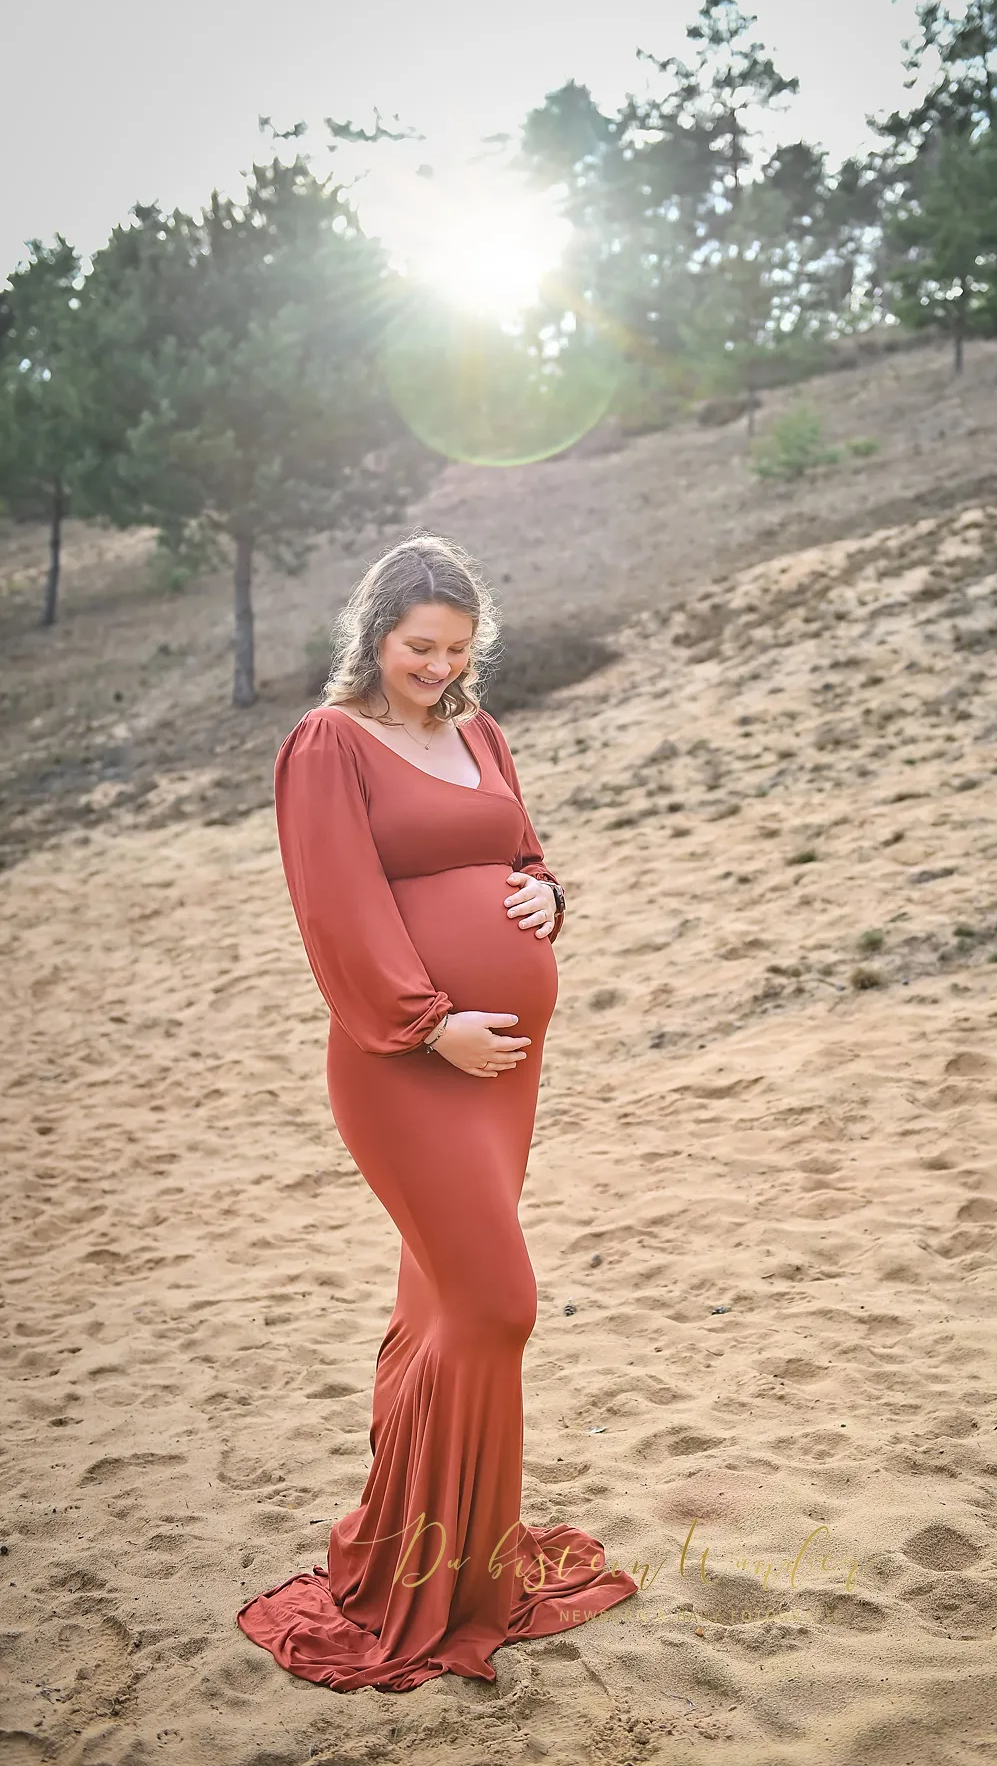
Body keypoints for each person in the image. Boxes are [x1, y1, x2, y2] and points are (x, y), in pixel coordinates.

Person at [236, 532, 638, 1692]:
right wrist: (427, 1023)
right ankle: (427, 1572)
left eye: (458, 647)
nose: (438, 665)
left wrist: (548, 896)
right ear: (376, 634)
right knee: (497, 1301)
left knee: (444, 1307)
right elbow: (337, 907)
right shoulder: (329, 743)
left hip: (506, 1064)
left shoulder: (480, 731)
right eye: (420, 646)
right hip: (406, 1060)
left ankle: (439, 1548)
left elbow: (523, 850)